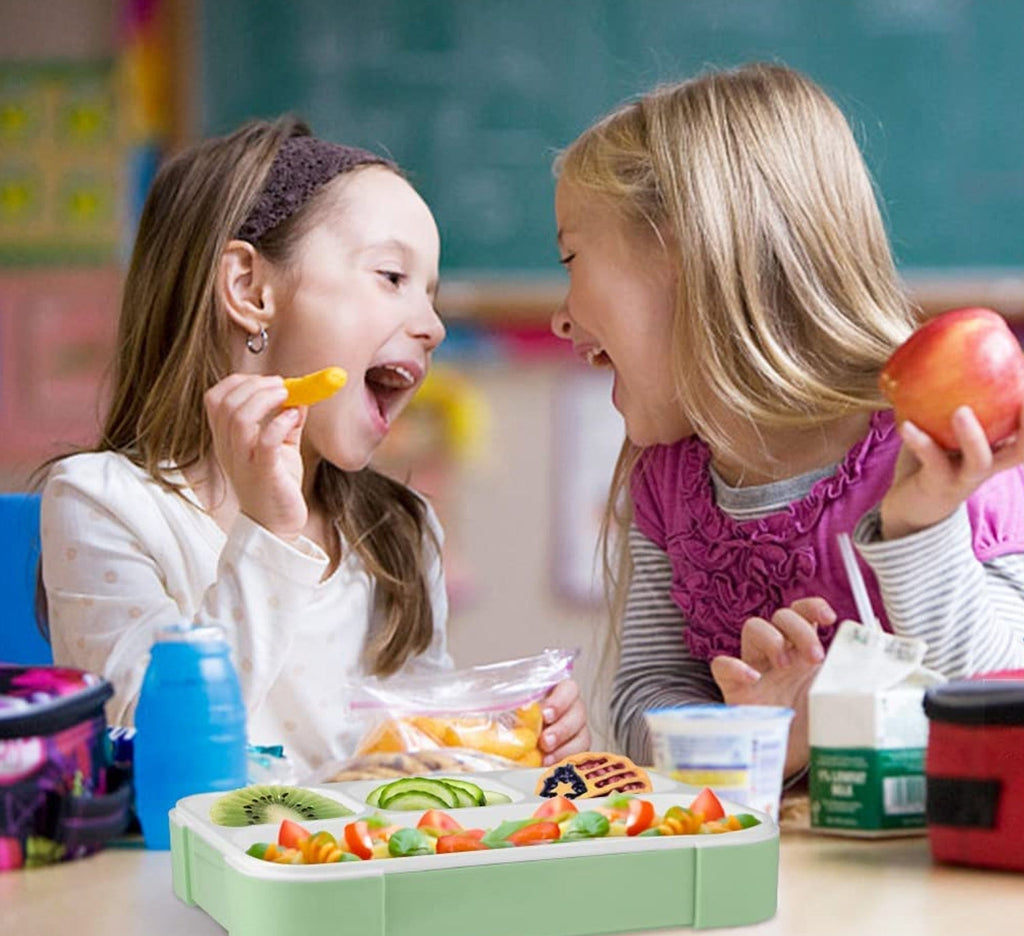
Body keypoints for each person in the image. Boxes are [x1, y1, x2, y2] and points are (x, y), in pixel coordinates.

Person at [41, 117, 589, 776]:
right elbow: (148, 746)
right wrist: (268, 534)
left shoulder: (400, 532)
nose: (433, 326)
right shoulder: (102, 503)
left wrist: (509, 746)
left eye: (431, 294)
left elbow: (414, 760)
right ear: (249, 289)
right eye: (391, 276)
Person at [549, 63, 1024, 783]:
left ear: (682, 249)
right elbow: (644, 698)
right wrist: (749, 737)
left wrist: (922, 532)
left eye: (571, 259)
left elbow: (1002, 691)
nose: (560, 314)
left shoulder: (936, 442)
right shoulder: (666, 483)